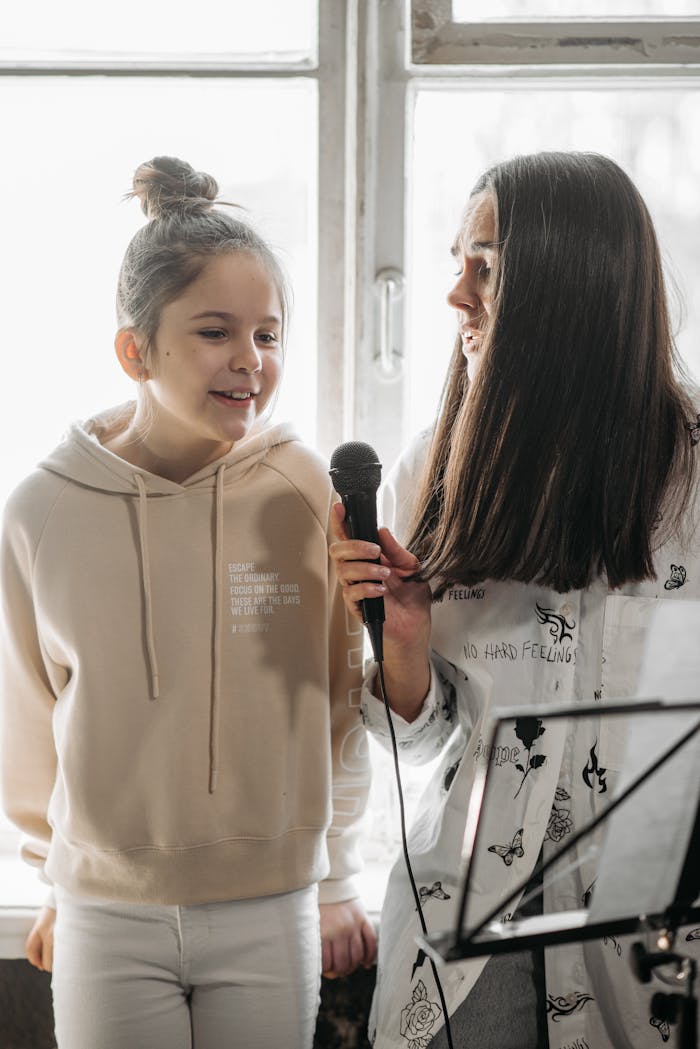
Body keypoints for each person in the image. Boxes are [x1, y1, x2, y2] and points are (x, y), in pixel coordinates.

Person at [0, 155, 376, 1049]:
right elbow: (26, 721)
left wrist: (334, 880)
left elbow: (336, 702)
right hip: (106, 915)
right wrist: (55, 880)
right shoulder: (41, 511)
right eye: (216, 331)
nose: (251, 361)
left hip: (271, 902)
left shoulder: (300, 491)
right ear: (136, 349)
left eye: (269, 335)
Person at [330, 151, 700, 1049]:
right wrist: (403, 642)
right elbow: (425, 739)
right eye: (457, 263)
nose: (456, 295)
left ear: (576, 282)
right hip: (468, 923)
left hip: (648, 925)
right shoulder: (437, 466)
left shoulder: (692, 471)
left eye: (486, 267)